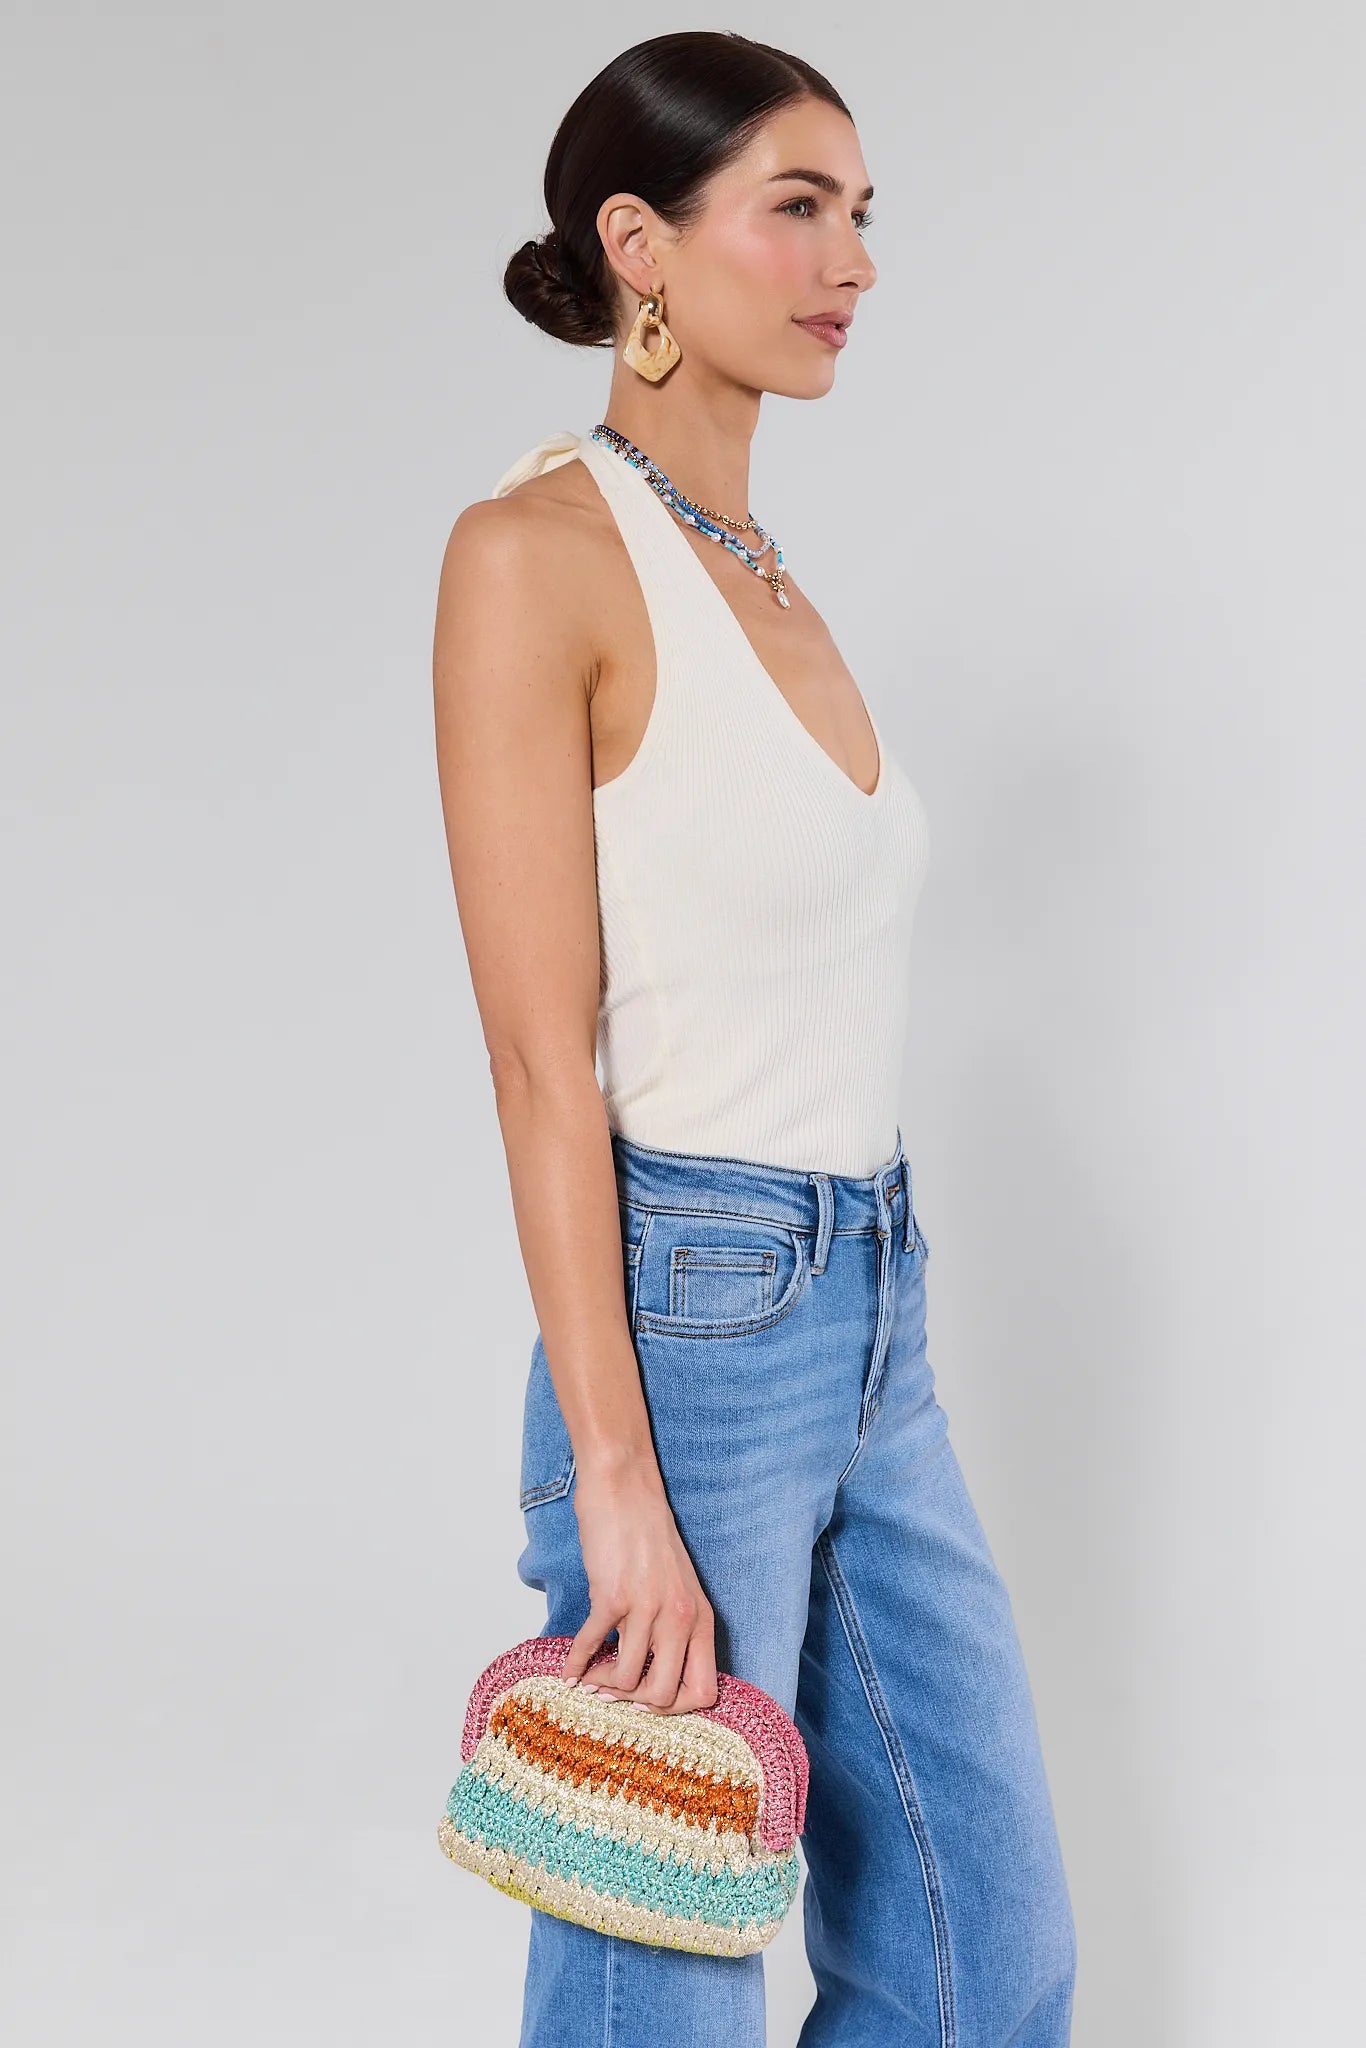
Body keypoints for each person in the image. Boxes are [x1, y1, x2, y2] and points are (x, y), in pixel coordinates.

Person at [431, 30, 1077, 2048]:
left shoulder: (768, 578)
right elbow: (537, 1062)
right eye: (795, 207)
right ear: (639, 243)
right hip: (693, 1323)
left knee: (984, 1958)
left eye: (860, 213)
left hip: (875, 1305)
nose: (849, 260)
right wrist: (614, 1478)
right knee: (659, 1954)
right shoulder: (534, 557)